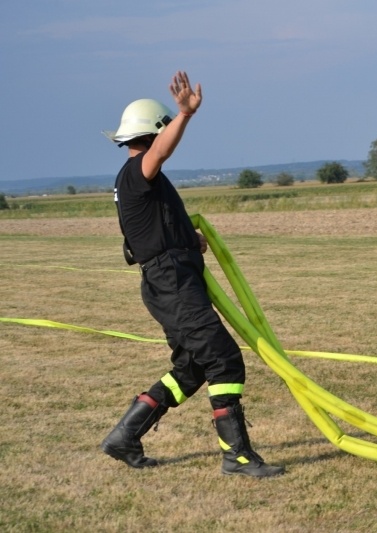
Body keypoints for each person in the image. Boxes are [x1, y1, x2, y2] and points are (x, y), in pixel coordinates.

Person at [100, 71, 284, 478]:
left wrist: (189, 238)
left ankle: (124, 437)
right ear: (153, 132)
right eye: (164, 131)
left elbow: (150, 231)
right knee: (225, 361)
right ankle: (236, 456)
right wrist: (184, 114)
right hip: (172, 284)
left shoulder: (141, 183)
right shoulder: (138, 170)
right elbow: (158, 154)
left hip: (171, 278)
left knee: (192, 367)